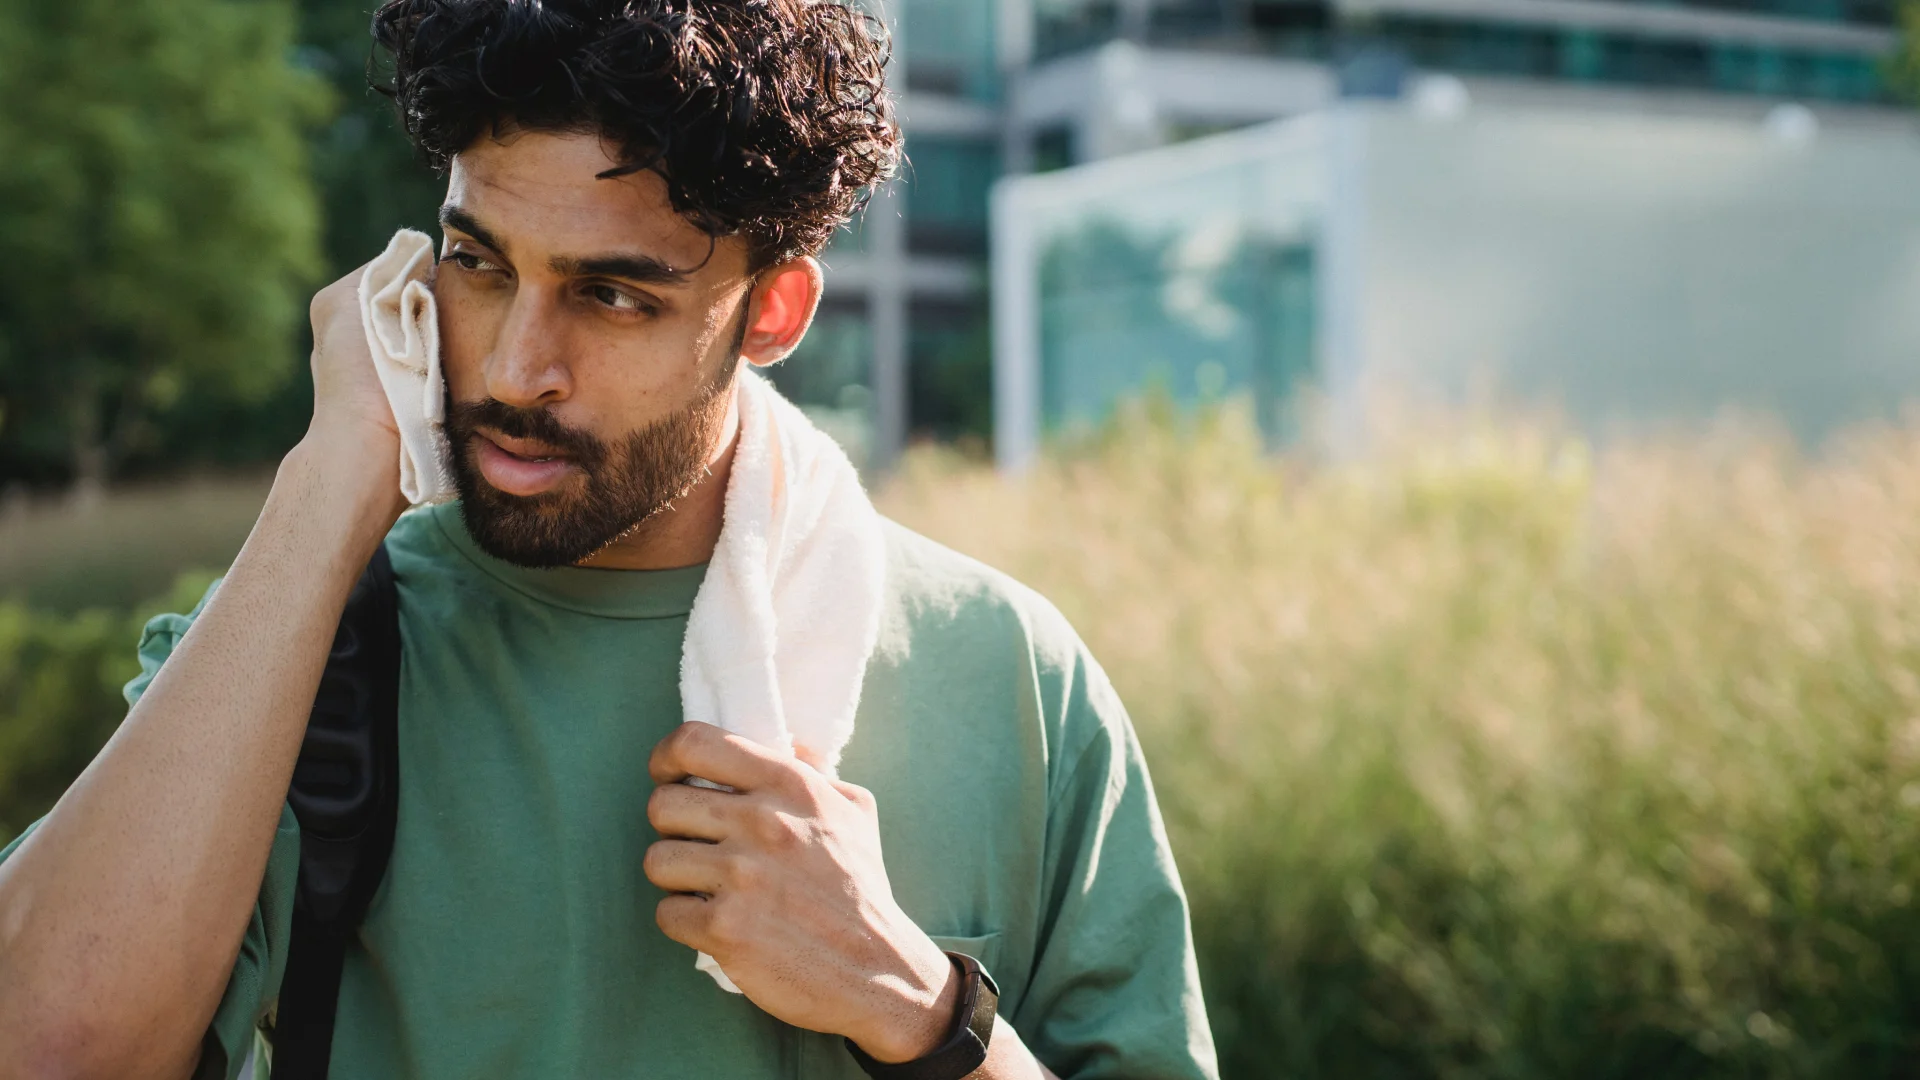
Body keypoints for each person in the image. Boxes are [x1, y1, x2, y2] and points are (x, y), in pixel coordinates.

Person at [0, 2, 1218, 1078]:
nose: (517, 369)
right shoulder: (308, 644)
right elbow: (42, 1050)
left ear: (773, 310)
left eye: (613, 295)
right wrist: (327, 481)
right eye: (478, 264)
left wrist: (919, 1009)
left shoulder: (1014, 679)